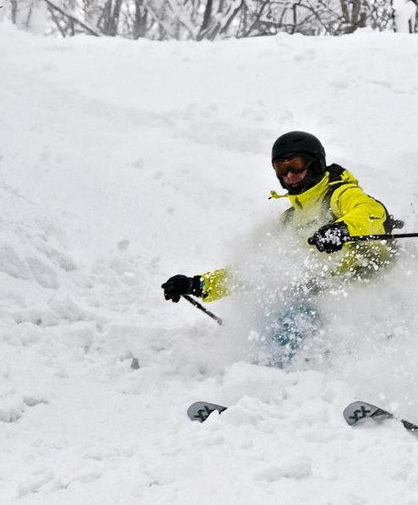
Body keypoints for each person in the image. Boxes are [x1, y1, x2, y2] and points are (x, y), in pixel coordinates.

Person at [162, 131, 398, 364]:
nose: (290, 175)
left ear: (315, 163)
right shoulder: (289, 220)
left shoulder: (339, 193)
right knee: (278, 313)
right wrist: (198, 284)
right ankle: (272, 386)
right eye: (281, 168)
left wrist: (342, 230)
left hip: (371, 287)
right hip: (324, 297)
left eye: (296, 165)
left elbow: (370, 212)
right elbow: (258, 270)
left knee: (293, 319)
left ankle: (291, 382)